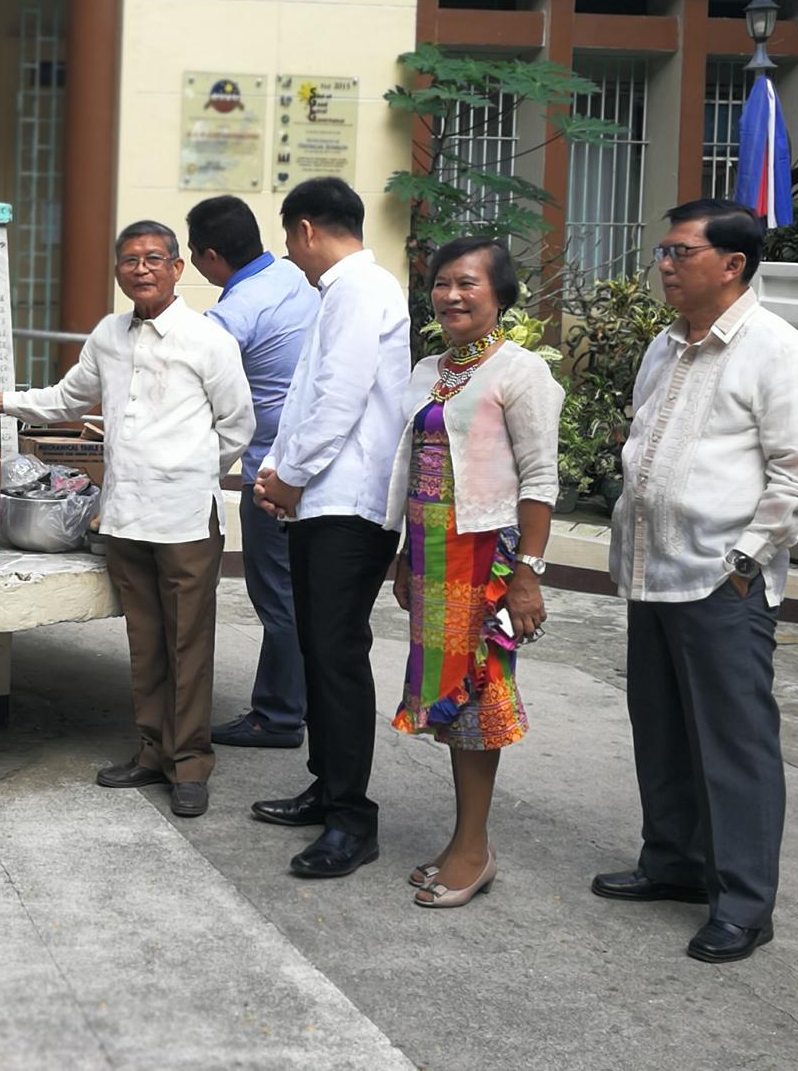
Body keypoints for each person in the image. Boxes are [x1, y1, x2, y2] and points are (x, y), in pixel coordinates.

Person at [593, 199, 798, 963]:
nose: (664, 264)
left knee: (734, 745)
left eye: (680, 252)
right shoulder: (665, 346)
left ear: (732, 264)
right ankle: (674, 863)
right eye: (662, 250)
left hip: (722, 579)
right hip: (652, 569)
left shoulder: (776, 350)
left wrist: (746, 562)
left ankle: (744, 903)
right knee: (660, 728)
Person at [0, 221, 254, 819]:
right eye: (128, 260)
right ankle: (152, 751)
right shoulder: (109, 335)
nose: (140, 269)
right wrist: (3, 400)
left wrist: (187, 470)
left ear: (177, 268)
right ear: (118, 272)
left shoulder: (208, 339)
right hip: (123, 514)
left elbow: (237, 427)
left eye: (153, 259)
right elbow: (68, 399)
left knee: (189, 644)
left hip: (185, 519)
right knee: (145, 642)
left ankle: (190, 763)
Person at [384, 238, 560, 908]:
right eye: (441, 283)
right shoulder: (430, 368)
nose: (451, 295)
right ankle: (465, 839)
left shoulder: (520, 372)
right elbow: (411, 473)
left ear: (500, 293)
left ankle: (473, 848)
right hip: (433, 557)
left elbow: (542, 476)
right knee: (450, 701)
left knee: (480, 700)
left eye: (467, 284)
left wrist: (528, 575)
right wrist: (405, 552)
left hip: (488, 560)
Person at [250, 176, 409, 879]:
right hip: (323, 497)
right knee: (318, 650)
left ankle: (352, 819)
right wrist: (282, 473)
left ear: (307, 229)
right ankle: (327, 784)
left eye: (289, 239)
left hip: (348, 501)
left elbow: (339, 398)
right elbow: (309, 396)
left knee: (337, 657)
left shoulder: (358, 289)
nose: (291, 254)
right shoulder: (340, 291)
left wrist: (291, 473)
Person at [186, 195, 319, 750]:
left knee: (278, 596)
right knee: (304, 594)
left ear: (212, 257)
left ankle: (280, 715)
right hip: (315, 468)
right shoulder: (290, 275)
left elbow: (184, 380)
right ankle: (300, 702)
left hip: (272, 474)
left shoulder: (231, 315)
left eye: (191, 255)